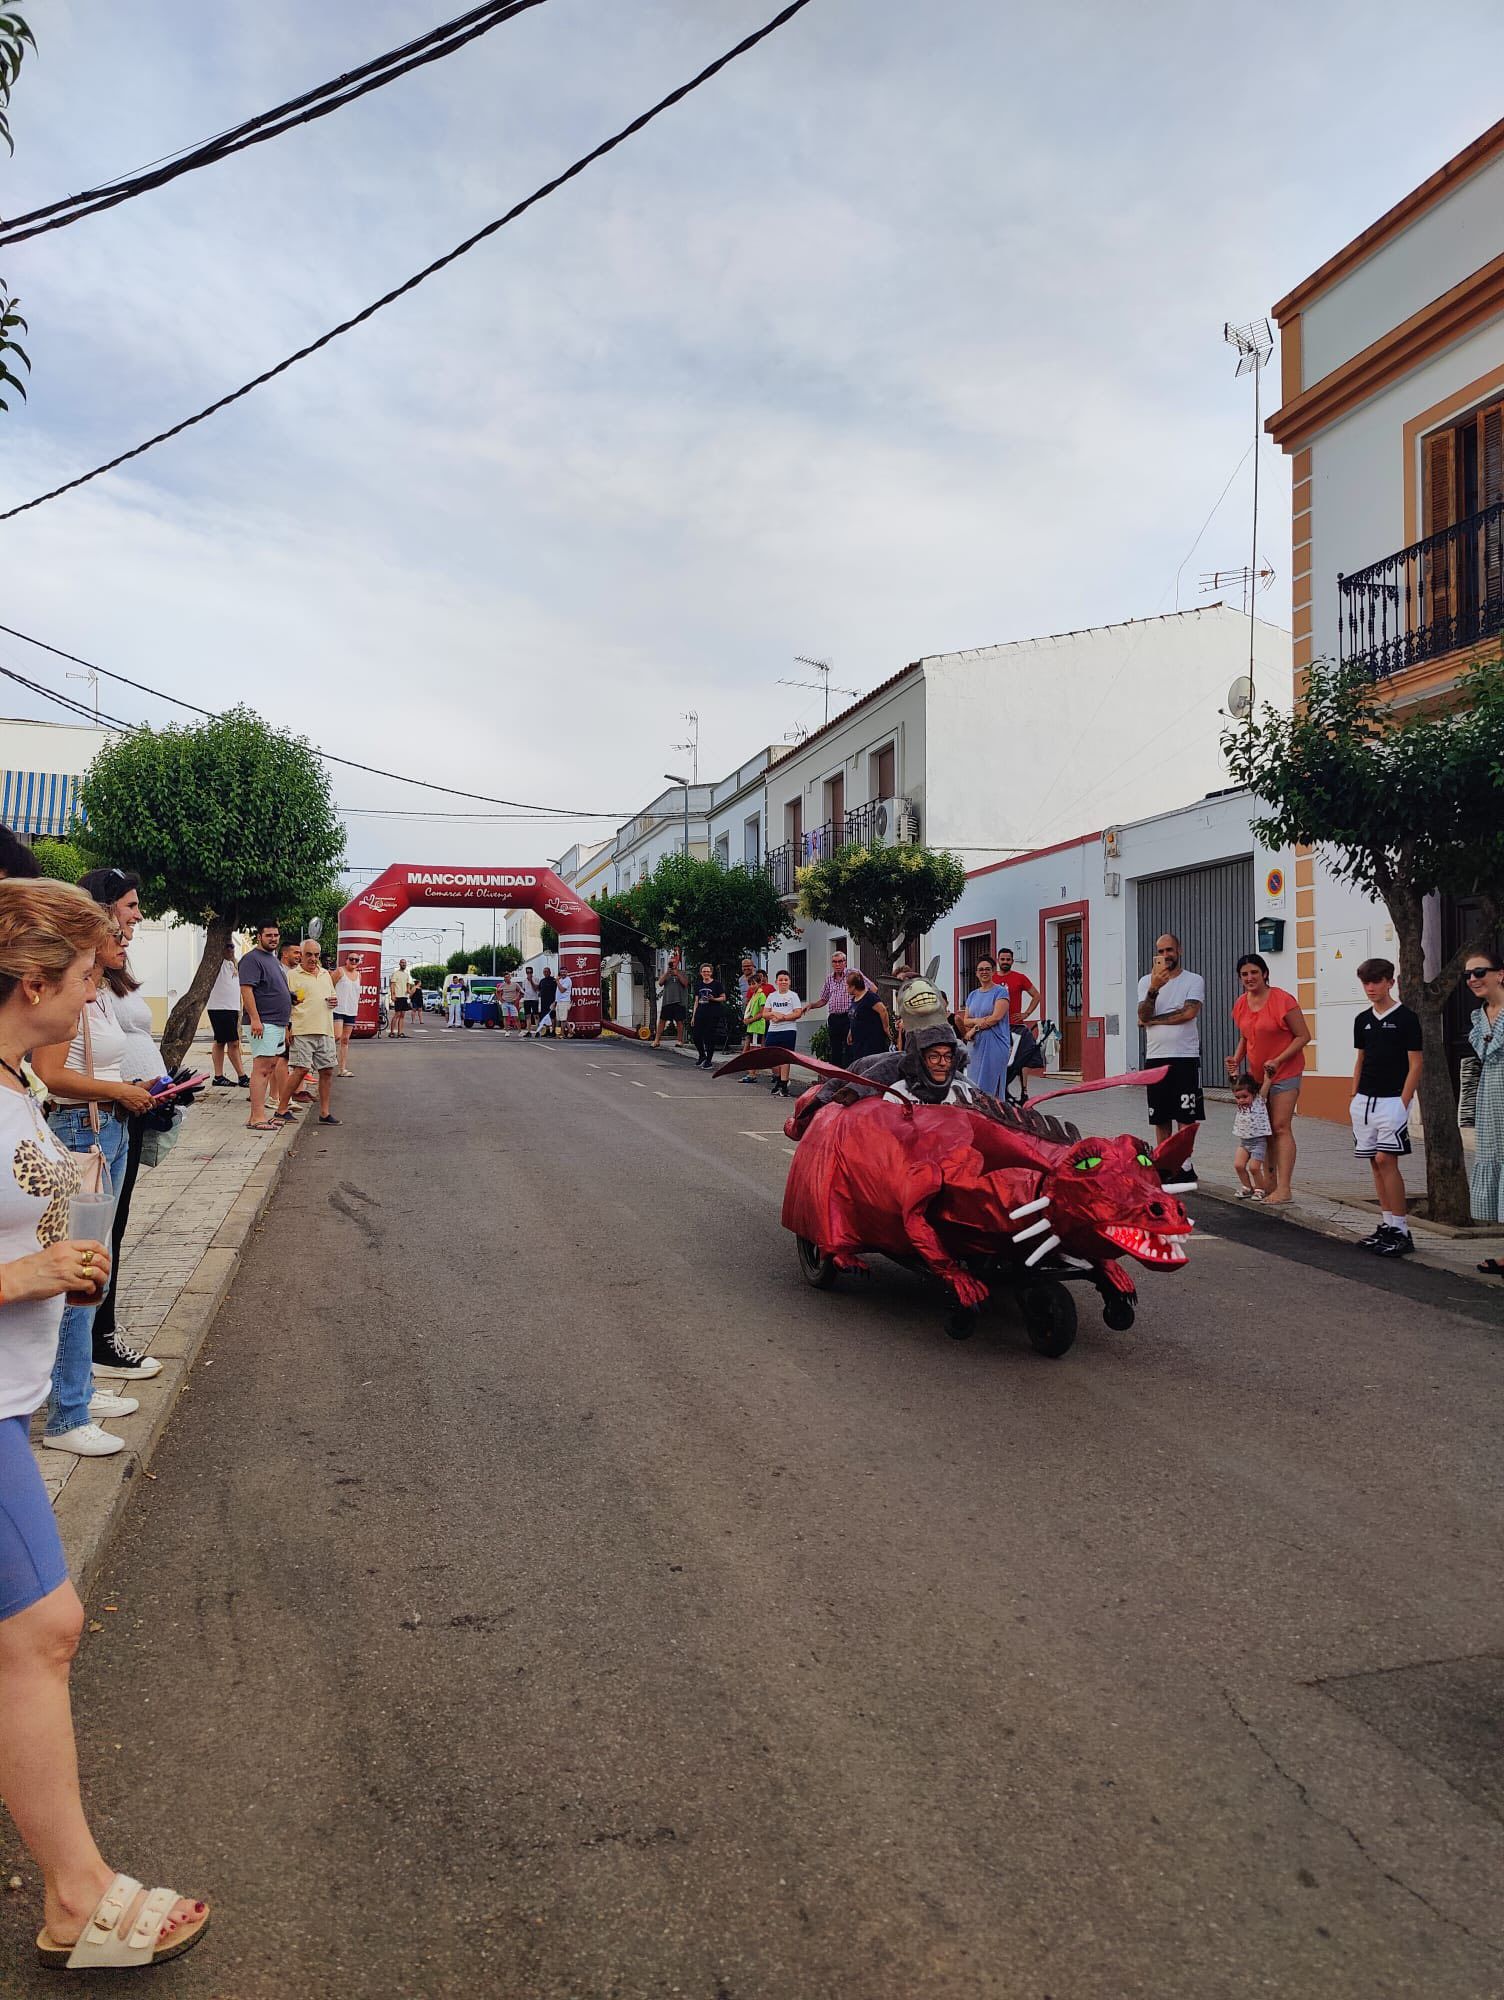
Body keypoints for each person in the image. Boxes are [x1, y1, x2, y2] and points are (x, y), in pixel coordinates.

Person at [0, 878, 212, 1976]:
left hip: (11, 1397)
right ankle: (77, 1895)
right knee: (42, 1632)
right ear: (33, 979)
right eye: (86, 975)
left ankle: (69, 1893)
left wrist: (66, 1255)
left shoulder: (18, 1077)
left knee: (32, 1635)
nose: (96, 996)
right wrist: (27, 1272)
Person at [30, 921, 157, 1457]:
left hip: (104, 1126)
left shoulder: (98, 992)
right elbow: (51, 1073)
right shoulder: (69, 993)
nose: (128, 936)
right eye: (120, 926)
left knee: (93, 1266)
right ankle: (67, 1412)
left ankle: (76, 1388)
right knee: (81, 1269)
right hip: (84, 1129)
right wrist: (118, 1090)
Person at [77, 870, 180, 1379]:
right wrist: (123, 1089)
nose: (138, 916)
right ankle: (92, 1347)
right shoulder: (83, 979)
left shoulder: (111, 974)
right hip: (99, 1115)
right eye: (130, 906)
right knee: (97, 1237)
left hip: (126, 1111)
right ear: (103, 909)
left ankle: (95, 1342)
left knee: (111, 1233)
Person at [1351, 956, 1424, 1257]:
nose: (1371, 987)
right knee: (1374, 1161)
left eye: (1376, 981)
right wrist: (1354, 1094)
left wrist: (1403, 1102)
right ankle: (1387, 1223)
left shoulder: (1406, 1018)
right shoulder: (1362, 1020)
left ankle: (1402, 1230)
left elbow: (1416, 1063)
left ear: (1390, 982)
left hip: (1393, 1099)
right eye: (1366, 982)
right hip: (1365, 1100)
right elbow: (1361, 1058)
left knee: (1386, 1159)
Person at [1226, 952, 1311, 1205]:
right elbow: (1246, 1036)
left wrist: (1278, 1060)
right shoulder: (1241, 1003)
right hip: (1257, 1077)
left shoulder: (1283, 1000)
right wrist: (1236, 1058)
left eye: (1254, 972)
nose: (1249, 978)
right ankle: (1269, 1185)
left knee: (1281, 1126)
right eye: (1244, 974)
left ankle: (1284, 1189)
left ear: (1264, 974)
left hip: (1285, 1072)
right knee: (1265, 1130)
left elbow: (1303, 1036)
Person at [1136, 933, 1205, 1167]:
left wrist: (1152, 1021)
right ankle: (1165, 1164)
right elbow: (1143, 1013)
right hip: (1156, 1057)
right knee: (1160, 1116)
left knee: (1186, 1116)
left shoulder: (1193, 980)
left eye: (1170, 950)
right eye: (1161, 951)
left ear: (1179, 951)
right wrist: (1154, 989)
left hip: (1185, 1057)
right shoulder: (1146, 982)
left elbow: (1188, 1013)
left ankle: (1184, 1164)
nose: (1166, 956)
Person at [238, 922, 293, 1132]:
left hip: (277, 1022)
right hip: (264, 1022)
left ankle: (256, 1115)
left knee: (270, 1068)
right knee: (262, 1069)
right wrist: (255, 1019)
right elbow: (246, 990)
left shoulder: (273, 959)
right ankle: (258, 1117)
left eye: (276, 935)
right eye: (268, 935)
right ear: (259, 936)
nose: (273, 938)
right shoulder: (252, 959)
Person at [278, 938, 339, 1126]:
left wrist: (334, 1001)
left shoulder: (325, 975)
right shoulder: (291, 975)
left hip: (325, 1029)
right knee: (300, 1069)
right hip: (302, 1029)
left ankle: (324, 1113)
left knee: (327, 1070)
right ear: (301, 955)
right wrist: (287, 1027)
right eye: (309, 954)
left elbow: (332, 997)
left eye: (316, 955)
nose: (313, 958)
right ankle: (281, 1109)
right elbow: (284, 1003)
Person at [1464, 952, 1504, 1225]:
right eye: (1467, 975)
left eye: (1479, 972)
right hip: (1491, 1097)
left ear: (1500, 975)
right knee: (1493, 1156)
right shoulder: (1478, 1017)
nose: (1472, 979)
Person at [808, 949, 873, 1067]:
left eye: (840, 961)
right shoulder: (829, 979)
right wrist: (811, 1006)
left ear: (845, 962)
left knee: (850, 1048)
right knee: (835, 1049)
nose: (837, 964)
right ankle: (836, 1074)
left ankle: (850, 1072)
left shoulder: (853, 974)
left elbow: (872, 989)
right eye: (835, 962)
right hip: (834, 1018)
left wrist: (863, 1007)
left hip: (850, 1016)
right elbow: (824, 999)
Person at [960, 954, 1011, 1097]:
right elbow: (965, 1020)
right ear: (976, 973)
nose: (984, 972)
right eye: (981, 969)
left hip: (996, 1043)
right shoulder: (972, 995)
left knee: (992, 1084)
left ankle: (995, 1109)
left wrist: (975, 1028)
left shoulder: (1001, 992)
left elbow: (996, 1018)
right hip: (976, 1045)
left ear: (993, 971)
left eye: (987, 969)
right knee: (974, 1083)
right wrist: (979, 1020)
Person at [205, 941, 246, 1088]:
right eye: (227, 947)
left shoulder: (233, 965)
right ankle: (241, 1076)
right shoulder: (217, 963)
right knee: (232, 1042)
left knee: (222, 1041)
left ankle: (220, 1076)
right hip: (220, 1007)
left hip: (232, 1008)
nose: (230, 950)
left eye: (232, 947)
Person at [1231, 1071, 1274, 1199]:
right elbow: (1233, 1081)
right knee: (1238, 1165)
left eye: (1245, 1096)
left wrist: (1268, 1077)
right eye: (1238, 1097)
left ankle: (1260, 1189)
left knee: (1254, 1168)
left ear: (1253, 1093)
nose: (1241, 1100)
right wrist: (1233, 1072)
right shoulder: (1241, 1105)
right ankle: (1247, 1187)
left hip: (1258, 1143)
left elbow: (1266, 1085)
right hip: (1244, 1142)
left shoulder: (1259, 1101)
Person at [762, 970, 805, 1095]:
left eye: (786, 980)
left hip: (788, 1029)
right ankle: (778, 1079)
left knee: (785, 1057)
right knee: (772, 1057)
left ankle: (784, 1084)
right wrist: (774, 1013)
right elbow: (765, 1014)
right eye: (781, 980)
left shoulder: (793, 996)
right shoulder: (772, 996)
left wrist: (784, 1018)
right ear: (776, 982)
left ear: (789, 982)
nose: (783, 982)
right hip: (773, 1030)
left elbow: (798, 1013)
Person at [845, 969, 891, 1059]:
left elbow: (883, 1010)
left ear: (853, 987)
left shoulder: (870, 997)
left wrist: (886, 1028)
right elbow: (854, 1018)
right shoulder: (854, 999)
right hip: (858, 1042)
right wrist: (850, 1033)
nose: (846, 988)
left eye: (847, 985)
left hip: (870, 1042)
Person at [690, 963, 726, 1069]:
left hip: (712, 1013)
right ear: (701, 973)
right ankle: (702, 1055)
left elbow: (723, 997)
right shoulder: (698, 985)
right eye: (704, 971)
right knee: (696, 1036)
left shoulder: (716, 984)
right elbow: (696, 1001)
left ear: (711, 972)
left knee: (709, 1037)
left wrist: (713, 999)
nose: (706, 973)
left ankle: (709, 1060)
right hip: (700, 1012)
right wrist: (693, 1016)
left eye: (708, 971)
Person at [995, 947, 1040, 1026]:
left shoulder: (1020, 978)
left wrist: (1026, 1013)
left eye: (1008, 959)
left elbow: (1037, 995)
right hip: (994, 1023)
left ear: (1012, 961)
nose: (1005, 962)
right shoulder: (991, 978)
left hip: (1014, 1024)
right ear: (997, 960)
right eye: (1002, 959)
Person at [740, 971, 771, 1082]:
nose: (752, 986)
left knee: (754, 1051)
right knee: (748, 1050)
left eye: (754, 984)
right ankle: (751, 1072)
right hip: (751, 1026)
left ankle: (752, 1074)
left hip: (757, 1027)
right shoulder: (754, 995)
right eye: (750, 984)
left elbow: (762, 1013)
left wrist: (750, 1020)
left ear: (759, 983)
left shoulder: (761, 996)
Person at [334, 953, 362, 1075]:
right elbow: (329, 986)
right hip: (338, 1009)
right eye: (351, 959)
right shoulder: (340, 971)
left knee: (345, 1040)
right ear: (346, 960)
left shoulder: (359, 975)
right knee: (336, 1036)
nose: (354, 961)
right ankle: (325, 1058)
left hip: (351, 1010)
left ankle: (342, 1069)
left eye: (356, 959)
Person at [655, 956, 689, 1048]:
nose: (672, 964)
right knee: (662, 1021)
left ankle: (679, 1041)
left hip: (679, 1001)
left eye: (674, 962)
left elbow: (685, 983)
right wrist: (667, 973)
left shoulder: (682, 973)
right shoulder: (666, 973)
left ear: (677, 963)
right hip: (667, 1001)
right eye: (670, 962)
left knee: (679, 1021)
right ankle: (657, 1040)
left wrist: (677, 974)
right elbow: (660, 983)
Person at [388, 959, 413, 1038]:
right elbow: (392, 985)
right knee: (397, 1014)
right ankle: (392, 1032)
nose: (404, 964)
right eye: (402, 963)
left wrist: (410, 991)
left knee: (402, 1015)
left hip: (404, 997)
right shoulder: (396, 974)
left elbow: (408, 986)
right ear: (399, 964)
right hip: (398, 996)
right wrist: (392, 995)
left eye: (405, 963)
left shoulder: (406, 975)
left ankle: (400, 1032)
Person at [534, 964, 558, 1038]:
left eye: (547, 971)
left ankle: (553, 1031)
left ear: (550, 972)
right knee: (545, 1016)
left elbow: (557, 991)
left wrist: (555, 1001)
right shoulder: (542, 981)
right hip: (544, 1002)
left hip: (552, 1001)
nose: (546, 973)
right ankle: (547, 1031)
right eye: (544, 972)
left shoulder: (553, 980)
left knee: (552, 1016)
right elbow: (538, 989)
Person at [521, 967, 541, 1036]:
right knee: (527, 1015)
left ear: (532, 972)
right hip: (527, 999)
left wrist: (531, 980)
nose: (529, 974)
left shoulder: (536, 979)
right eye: (527, 972)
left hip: (534, 999)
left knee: (536, 1015)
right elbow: (524, 990)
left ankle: (538, 1031)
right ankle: (529, 1031)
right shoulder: (524, 980)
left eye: (530, 972)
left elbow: (536, 989)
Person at [555, 968, 573, 1038]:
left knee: (562, 1019)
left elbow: (562, 990)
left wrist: (557, 981)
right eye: (561, 972)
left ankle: (562, 1034)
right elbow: (558, 992)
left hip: (564, 1001)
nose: (562, 973)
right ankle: (560, 1033)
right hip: (559, 1001)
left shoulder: (568, 980)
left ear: (567, 972)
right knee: (559, 1019)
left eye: (564, 972)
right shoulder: (560, 980)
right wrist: (555, 1001)